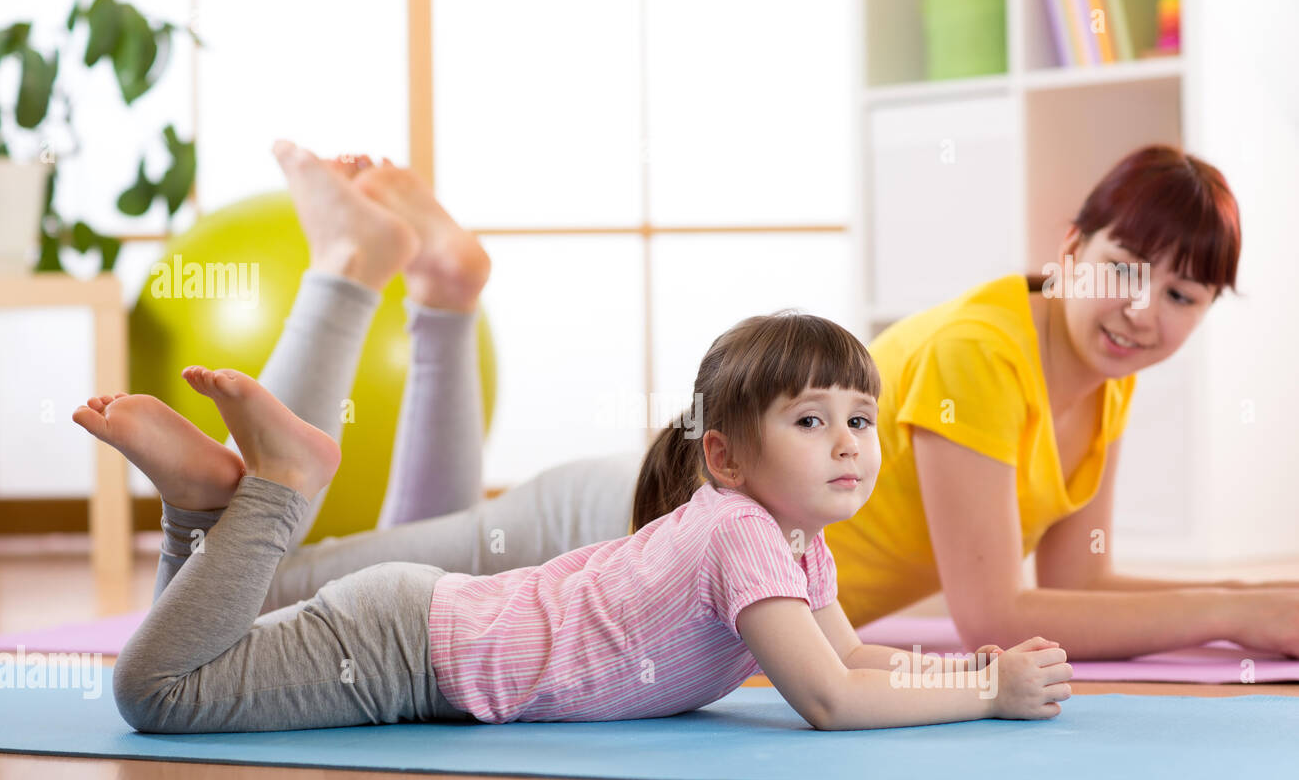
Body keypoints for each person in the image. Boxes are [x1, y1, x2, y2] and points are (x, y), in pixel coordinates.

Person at [229, 142, 1297, 663]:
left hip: (665, 575)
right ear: (1070, 249)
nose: (1140, 312)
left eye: (1181, 293)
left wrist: (1252, 587)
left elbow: (1085, 583)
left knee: (399, 567)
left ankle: (446, 296)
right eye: (1121, 268)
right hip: (621, 529)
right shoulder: (986, 353)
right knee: (240, 603)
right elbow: (997, 616)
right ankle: (355, 269)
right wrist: (1238, 612)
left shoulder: (1102, 389)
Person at [73, 311, 1071, 733]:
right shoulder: (733, 529)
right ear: (722, 454)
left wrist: (976, 670)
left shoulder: (793, 540)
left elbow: (851, 656)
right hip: (408, 652)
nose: (849, 442)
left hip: (424, 628)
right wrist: (985, 692)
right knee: (157, 693)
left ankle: (201, 508)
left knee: (198, 654)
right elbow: (827, 698)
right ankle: (279, 482)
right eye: (811, 421)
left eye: (860, 418)